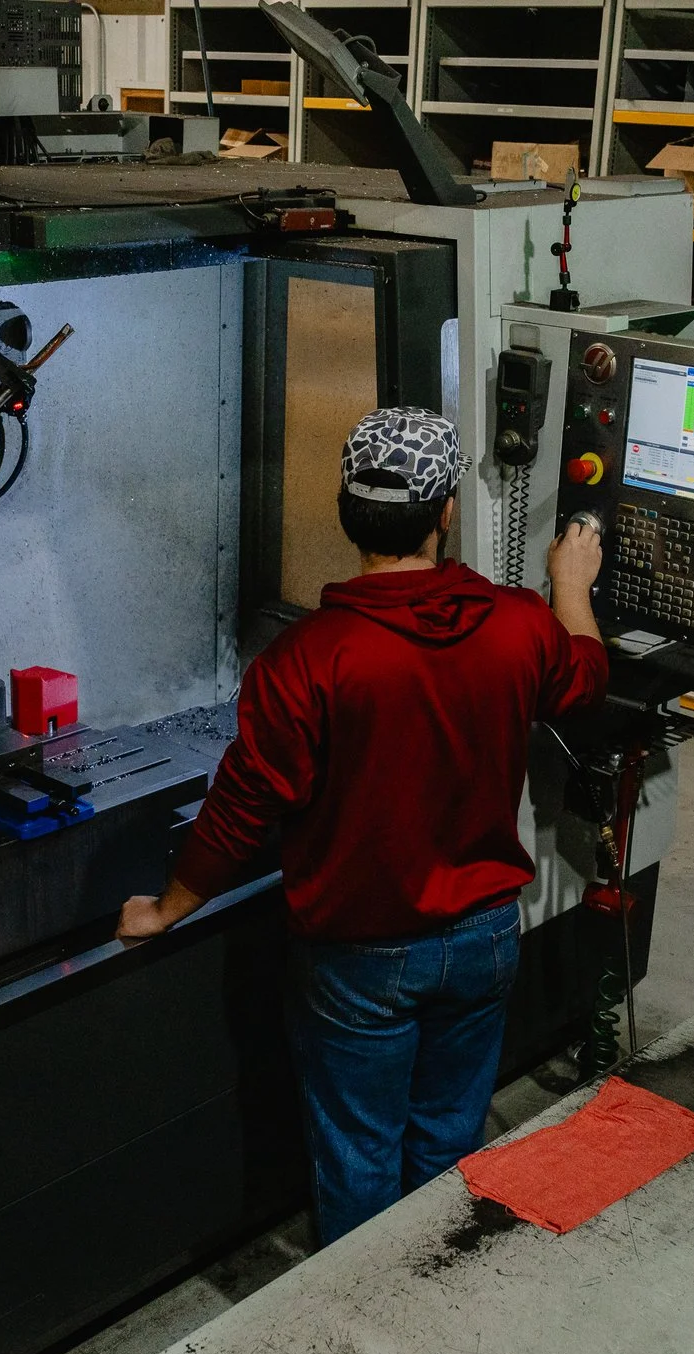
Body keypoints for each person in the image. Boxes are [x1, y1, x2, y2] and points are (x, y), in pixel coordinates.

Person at [118, 406, 608, 1244]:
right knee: (448, 1143)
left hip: (362, 956)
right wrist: (570, 588)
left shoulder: (308, 660)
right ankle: (429, 1298)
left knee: (359, 1159)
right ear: (445, 511)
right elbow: (585, 681)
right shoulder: (518, 624)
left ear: (348, 513)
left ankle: (360, 1329)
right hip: (487, 936)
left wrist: (166, 907)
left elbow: (243, 806)